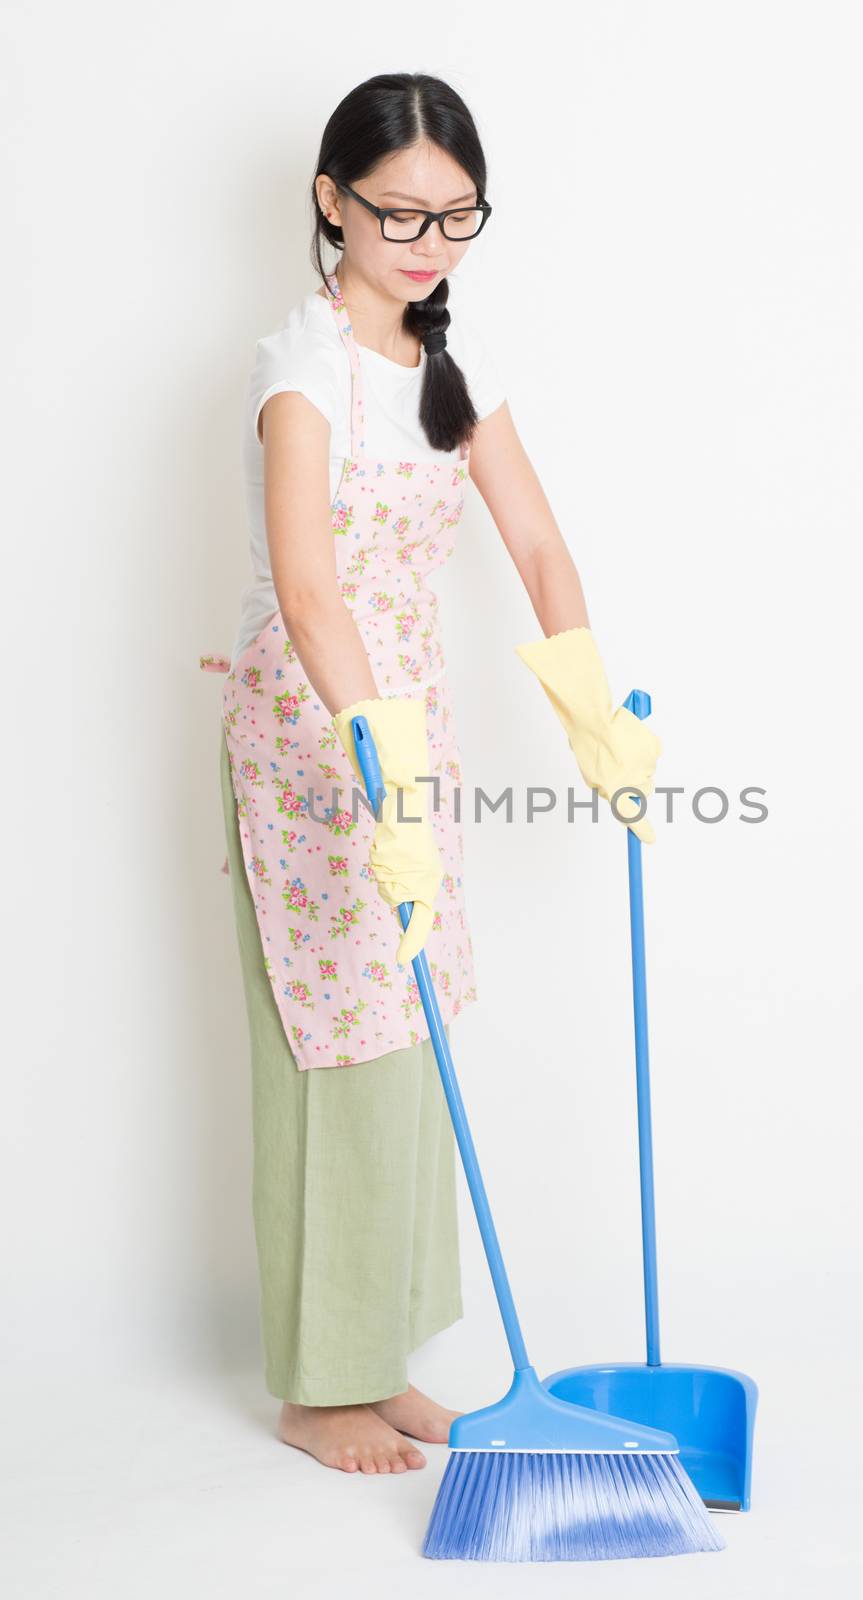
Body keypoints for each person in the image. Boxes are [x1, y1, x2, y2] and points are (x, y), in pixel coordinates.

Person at [209, 72, 663, 1478]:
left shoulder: (454, 373)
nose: (427, 241)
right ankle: (318, 1383)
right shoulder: (302, 376)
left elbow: (536, 544)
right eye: (397, 211)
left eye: (455, 213)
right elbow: (308, 591)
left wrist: (589, 703)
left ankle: (383, 1355)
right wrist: (376, 761)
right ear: (331, 203)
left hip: (418, 737)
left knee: (410, 1045)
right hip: (317, 744)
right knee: (334, 1055)